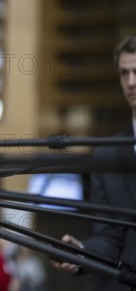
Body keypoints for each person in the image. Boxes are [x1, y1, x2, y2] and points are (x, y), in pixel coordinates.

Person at [52, 35, 136, 290]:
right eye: (124, 73)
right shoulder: (106, 155)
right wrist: (82, 252)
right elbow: (109, 237)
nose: (131, 82)